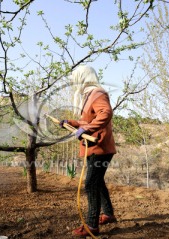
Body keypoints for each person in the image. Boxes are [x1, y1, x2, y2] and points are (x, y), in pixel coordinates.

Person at [60, 65, 117, 237]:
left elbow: (105, 113)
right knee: (97, 182)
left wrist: (87, 130)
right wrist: (70, 123)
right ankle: (108, 214)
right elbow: (87, 120)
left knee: (91, 183)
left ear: (83, 77)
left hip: (100, 148)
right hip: (95, 147)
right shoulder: (88, 94)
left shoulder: (97, 93)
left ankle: (91, 225)